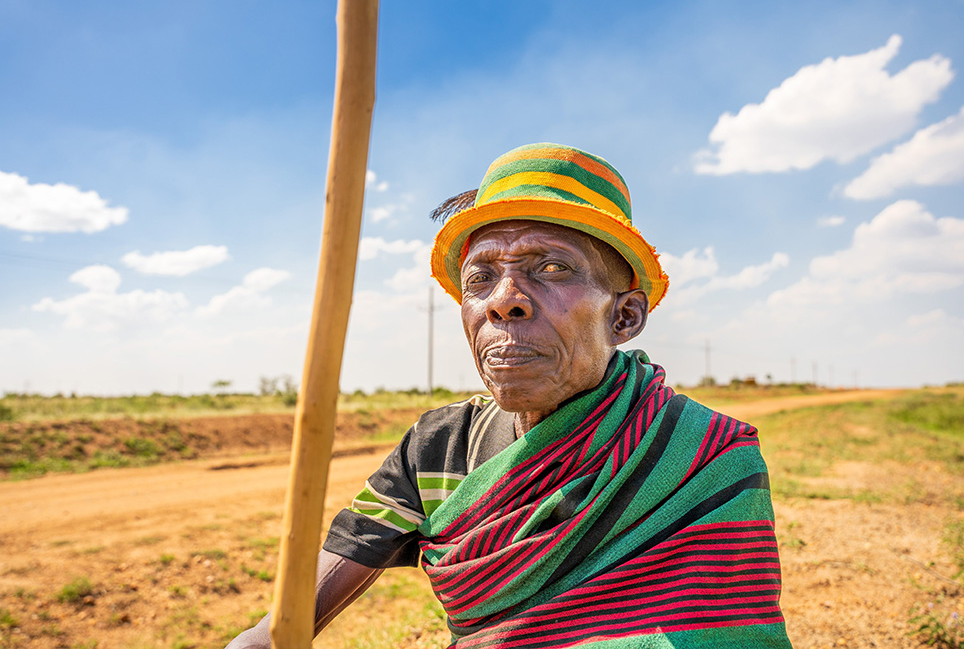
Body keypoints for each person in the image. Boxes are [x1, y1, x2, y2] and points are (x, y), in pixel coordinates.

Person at [228, 143, 792, 648]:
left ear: (624, 316)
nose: (504, 300)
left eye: (552, 267)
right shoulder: (438, 447)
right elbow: (300, 609)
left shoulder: (706, 454)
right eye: (479, 279)